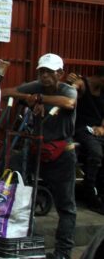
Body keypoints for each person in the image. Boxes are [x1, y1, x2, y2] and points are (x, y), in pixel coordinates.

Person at [2, 54, 77, 259]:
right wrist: (27, 98)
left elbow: (69, 102)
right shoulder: (35, 86)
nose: (45, 76)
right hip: (37, 150)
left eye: (49, 72)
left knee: (66, 206)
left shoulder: (67, 89)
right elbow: (7, 92)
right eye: (42, 72)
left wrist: (41, 99)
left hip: (63, 154)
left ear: (60, 74)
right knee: (10, 171)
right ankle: (24, 240)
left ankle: (63, 253)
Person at [68, 67, 104, 213]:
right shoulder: (83, 84)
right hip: (81, 129)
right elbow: (73, 89)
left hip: (98, 131)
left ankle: (101, 191)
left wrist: (102, 128)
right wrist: (73, 85)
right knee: (96, 153)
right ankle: (90, 192)